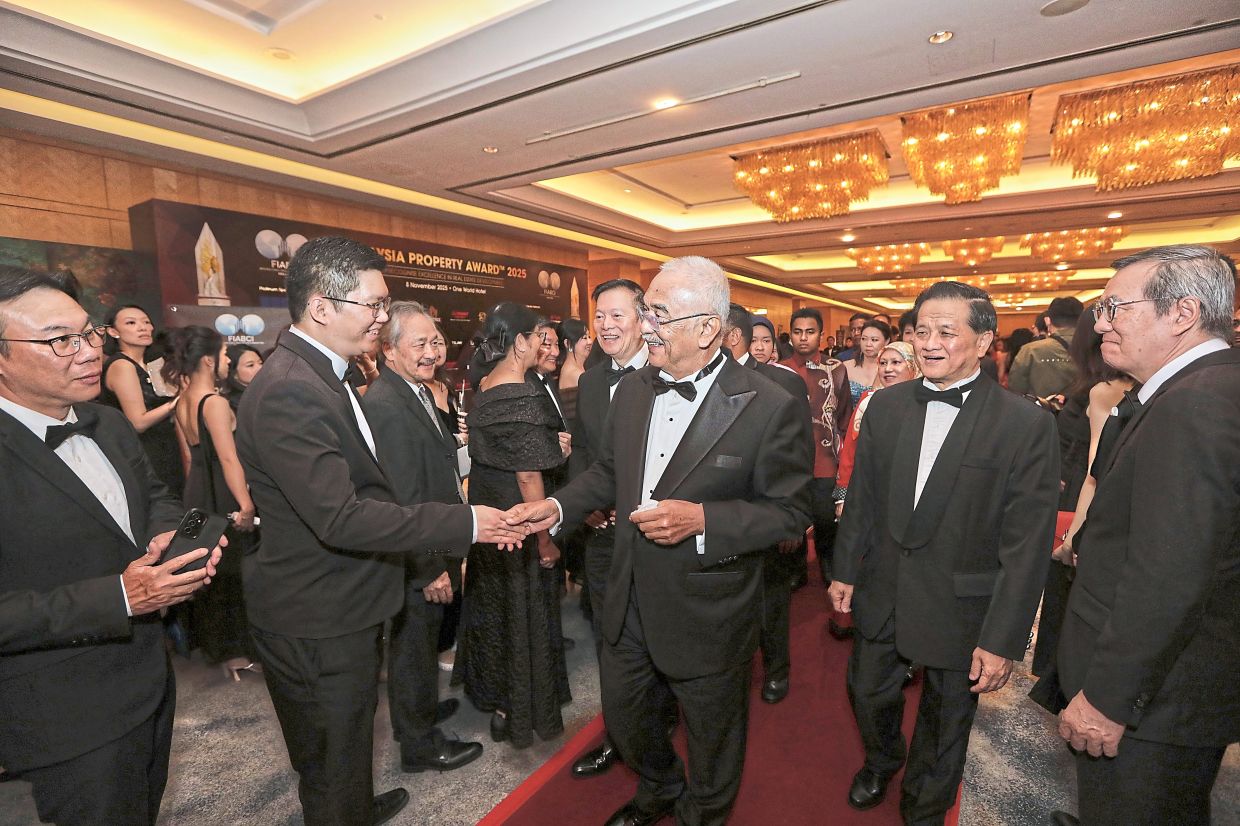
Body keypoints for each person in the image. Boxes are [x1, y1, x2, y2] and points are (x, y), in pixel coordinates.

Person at [508, 256, 813, 826]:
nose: (644, 327)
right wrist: (554, 507)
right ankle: (659, 789)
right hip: (626, 591)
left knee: (713, 740)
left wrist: (704, 519)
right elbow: (608, 473)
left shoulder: (770, 405)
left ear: (705, 328)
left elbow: (791, 513)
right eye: (646, 312)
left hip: (709, 605)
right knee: (625, 718)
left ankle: (703, 813)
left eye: (658, 315)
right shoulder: (633, 392)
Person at [235, 236, 525, 826]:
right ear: (322, 307)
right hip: (318, 610)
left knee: (349, 737)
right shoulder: (292, 386)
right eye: (374, 304)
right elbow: (340, 514)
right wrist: (467, 520)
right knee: (330, 754)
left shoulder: (326, 374)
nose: (383, 317)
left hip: (348, 597)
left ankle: (357, 805)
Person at [828, 281, 1059, 824]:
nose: (930, 342)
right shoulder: (883, 407)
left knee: (946, 717)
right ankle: (884, 758)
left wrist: (1004, 639)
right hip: (883, 584)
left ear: (983, 342)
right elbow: (862, 496)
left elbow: (1027, 545)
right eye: (922, 330)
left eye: (947, 332)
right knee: (865, 690)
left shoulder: (1025, 423)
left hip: (963, 602)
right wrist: (845, 568)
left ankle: (925, 804)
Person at [0, 267, 222, 826]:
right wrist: (121, 598)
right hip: (64, 709)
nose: (88, 352)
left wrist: (167, 535)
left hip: (149, 676)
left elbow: (156, 496)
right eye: (59, 340)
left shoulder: (107, 423)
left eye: (89, 333)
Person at [1052, 245, 1240, 826]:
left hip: (1157, 700)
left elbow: (1169, 574)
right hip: (1171, 686)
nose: (1099, 322)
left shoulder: (1196, 405)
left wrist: (1109, 698)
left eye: (1114, 307)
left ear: (1182, 313)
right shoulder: (1199, 388)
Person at [360, 301, 483, 775]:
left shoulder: (415, 391)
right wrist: (429, 565)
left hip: (437, 535)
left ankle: (422, 712)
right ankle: (418, 743)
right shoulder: (387, 404)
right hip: (420, 550)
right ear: (389, 349)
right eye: (420, 343)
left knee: (426, 639)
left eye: (437, 341)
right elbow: (402, 497)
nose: (433, 351)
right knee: (413, 645)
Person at [456, 302, 572, 751]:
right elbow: (528, 478)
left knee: (495, 609)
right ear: (520, 342)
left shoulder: (484, 383)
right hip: (518, 520)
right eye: (538, 336)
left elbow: (501, 453)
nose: (544, 343)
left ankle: (495, 696)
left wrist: (551, 451)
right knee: (525, 612)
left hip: (488, 515)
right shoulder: (521, 395)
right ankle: (517, 707)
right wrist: (544, 540)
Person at [566, 278, 651, 779]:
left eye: (618, 315)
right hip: (601, 538)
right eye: (601, 316)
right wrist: (588, 505)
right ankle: (618, 737)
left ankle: (657, 730)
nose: (607, 325)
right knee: (609, 640)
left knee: (654, 637)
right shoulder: (592, 381)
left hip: (651, 533)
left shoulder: (665, 376)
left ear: (644, 320)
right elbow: (582, 451)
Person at [723, 303, 812, 704]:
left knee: (771, 601)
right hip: (719, 518)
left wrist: (793, 520)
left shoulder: (783, 383)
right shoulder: (696, 381)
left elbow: (800, 457)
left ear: (728, 334)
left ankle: (777, 668)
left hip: (766, 514)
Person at [165, 325, 258, 680]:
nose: (224, 361)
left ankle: (221, 653)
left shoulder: (182, 402)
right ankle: (237, 655)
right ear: (208, 359)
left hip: (198, 496)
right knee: (233, 578)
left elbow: (188, 459)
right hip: (223, 496)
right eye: (222, 355)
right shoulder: (214, 402)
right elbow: (230, 459)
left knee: (210, 578)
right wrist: (246, 504)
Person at [780, 308, 854, 602]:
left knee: (825, 519)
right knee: (794, 517)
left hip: (825, 458)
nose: (803, 338)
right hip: (790, 460)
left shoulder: (836, 368)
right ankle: (796, 568)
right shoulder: (779, 369)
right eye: (797, 332)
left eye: (810, 332)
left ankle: (827, 563)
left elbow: (845, 416)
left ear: (821, 335)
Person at [100, 304, 182, 495]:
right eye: (131, 323)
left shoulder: (152, 364)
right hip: (145, 452)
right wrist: (178, 402)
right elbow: (138, 422)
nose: (143, 327)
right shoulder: (122, 365)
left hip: (166, 447)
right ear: (113, 331)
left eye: (146, 322)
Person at [833, 341, 921, 517]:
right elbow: (851, 450)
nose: (888, 369)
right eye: (883, 363)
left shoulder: (925, 403)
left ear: (913, 365)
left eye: (896, 362)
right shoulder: (869, 401)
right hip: (872, 490)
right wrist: (843, 497)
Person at [1008, 296, 1084, 399]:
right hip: (1086, 413)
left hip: (1039, 412)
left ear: (1047, 320)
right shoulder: (1097, 348)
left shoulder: (1031, 350)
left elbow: (1015, 390)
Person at [841, 319, 891, 405]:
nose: (868, 344)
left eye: (874, 340)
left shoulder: (890, 370)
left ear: (886, 341)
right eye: (864, 339)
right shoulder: (846, 366)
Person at [557, 317, 592, 421]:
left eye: (589, 336)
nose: (590, 341)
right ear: (568, 343)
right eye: (584, 338)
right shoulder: (574, 373)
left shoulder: (578, 369)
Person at [223, 343, 263, 412]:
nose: (260, 368)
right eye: (250, 365)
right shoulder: (231, 404)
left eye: (261, 363)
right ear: (234, 373)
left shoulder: (267, 395)